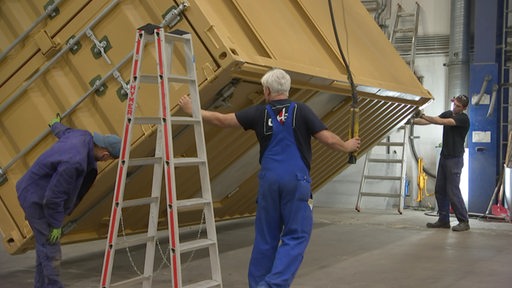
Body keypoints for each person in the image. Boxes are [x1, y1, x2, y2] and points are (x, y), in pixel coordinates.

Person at [178, 68, 360, 288]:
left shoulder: (259, 113)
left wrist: (192, 109)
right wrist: (346, 146)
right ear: (287, 88)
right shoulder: (301, 110)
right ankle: (273, 285)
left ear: (266, 91)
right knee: (296, 235)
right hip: (295, 181)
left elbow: (221, 120)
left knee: (266, 238)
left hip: (269, 181)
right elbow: (329, 139)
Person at [16, 114, 122, 288]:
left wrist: (55, 124)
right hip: (35, 198)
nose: (106, 161)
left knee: (45, 246)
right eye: (109, 159)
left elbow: (64, 131)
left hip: (35, 189)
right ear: (105, 154)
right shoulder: (75, 162)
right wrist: (56, 224)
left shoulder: (82, 135)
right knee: (50, 247)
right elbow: (54, 197)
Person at [413, 94, 470, 232]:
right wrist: (411, 120)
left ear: (464, 108)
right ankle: (443, 220)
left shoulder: (463, 119)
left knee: (452, 191)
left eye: (458, 106)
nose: (455, 108)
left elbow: (442, 122)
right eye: (454, 104)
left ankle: (464, 221)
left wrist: (423, 114)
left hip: (455, 160)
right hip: (444, 158)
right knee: (440, 189)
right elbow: (431, 121)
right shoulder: (448, 113)